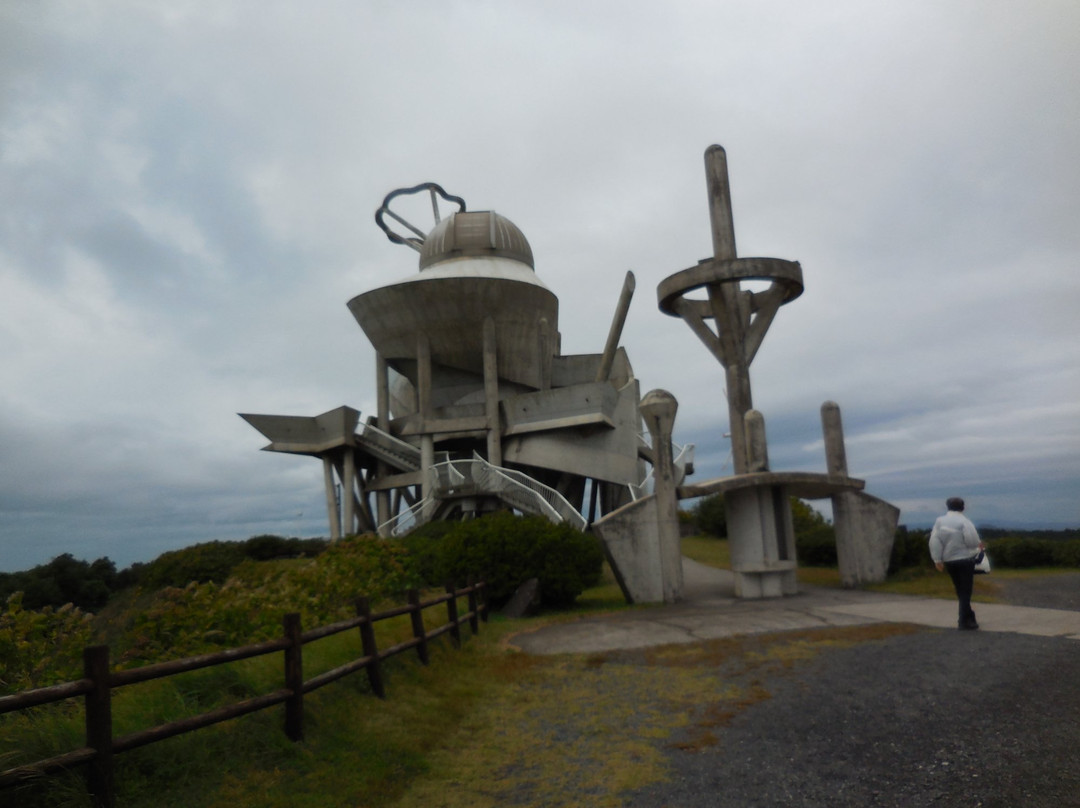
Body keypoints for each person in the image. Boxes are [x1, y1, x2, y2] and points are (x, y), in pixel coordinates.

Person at [928, 497, 985, 630]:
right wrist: (977, 548)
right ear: (963, 507)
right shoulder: (964, 521)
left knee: (960, 590)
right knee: (966, 591)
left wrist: (937, 559)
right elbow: (972, 541)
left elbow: (934, 541)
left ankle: (970, 617)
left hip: (949, 561)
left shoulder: (939, 521)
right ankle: (963, 621)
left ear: (947, 506)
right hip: (965, 560)